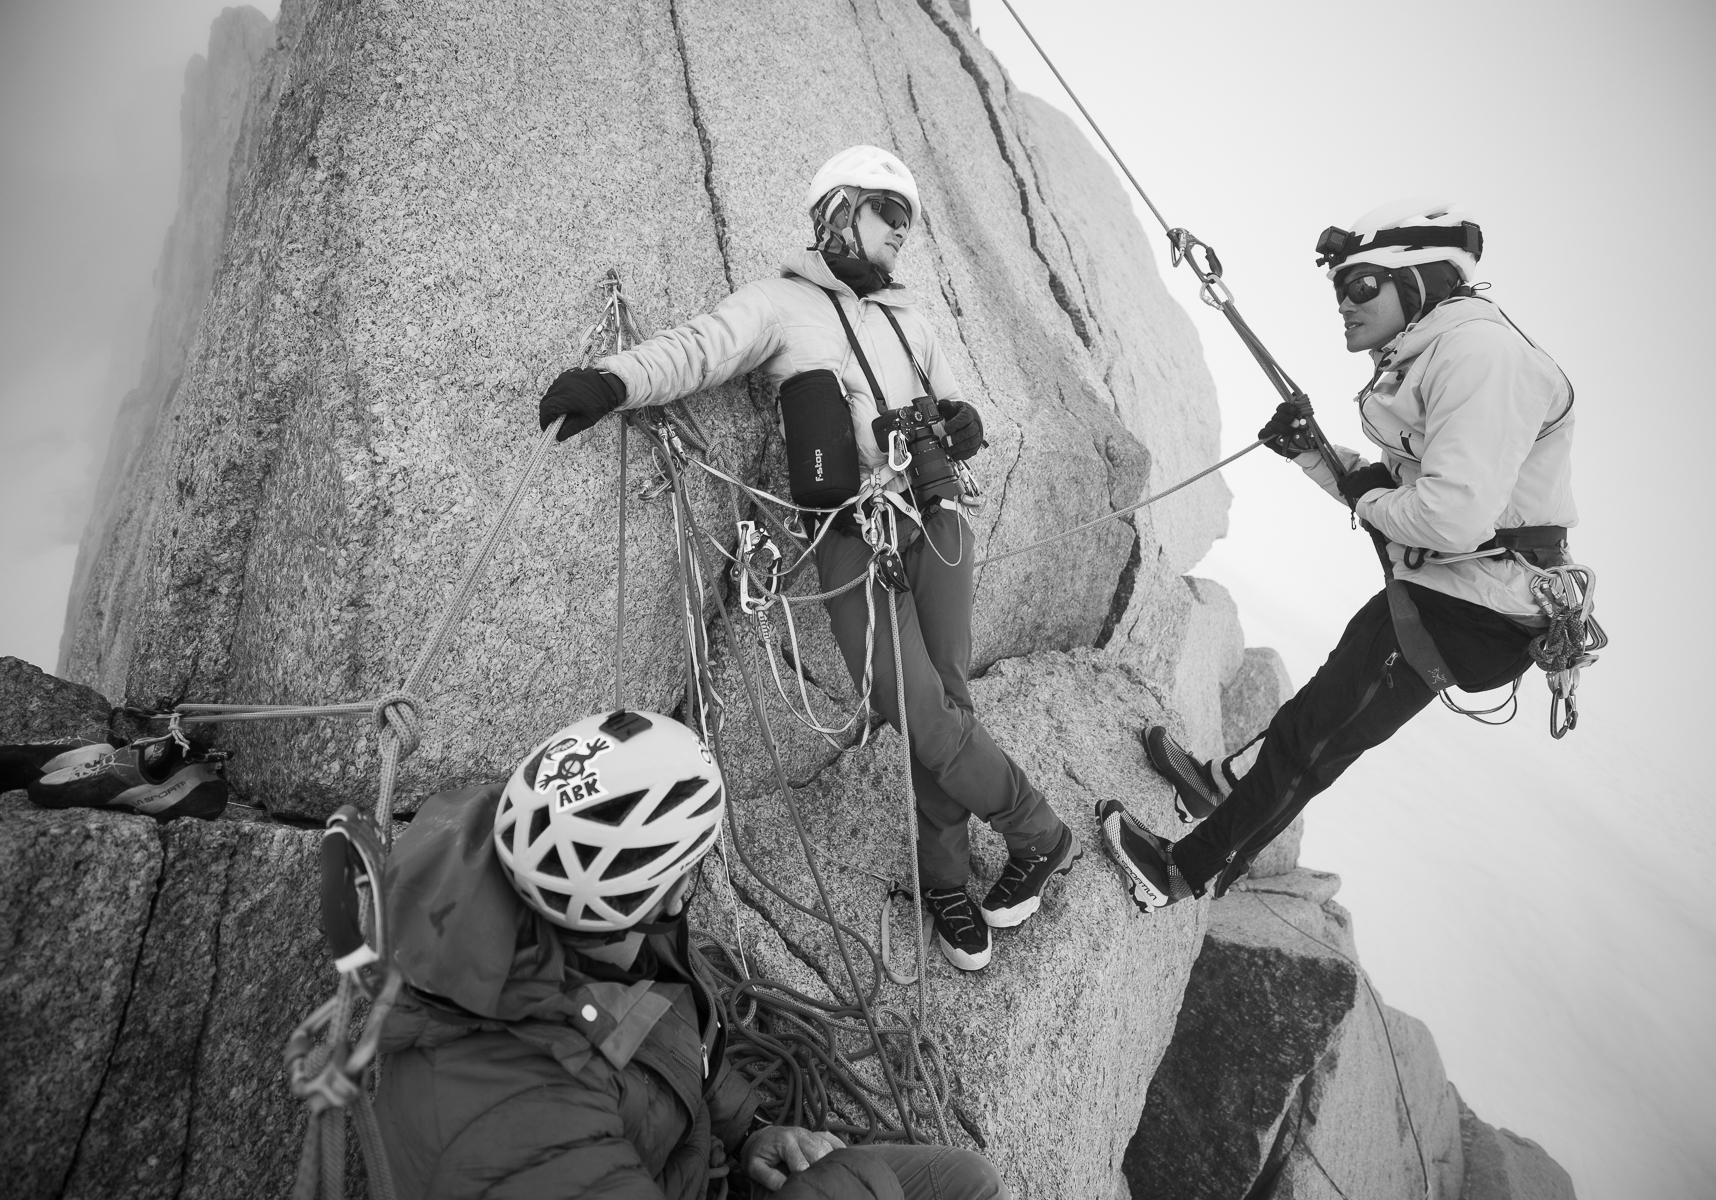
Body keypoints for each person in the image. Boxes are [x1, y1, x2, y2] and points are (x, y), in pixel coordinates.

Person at [535, 146, 1079, 971]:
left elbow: (956, 407)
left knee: (946, 707)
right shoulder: (779, 304)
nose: (901, 229)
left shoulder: (911, 319)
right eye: (886, 211)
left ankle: (944, 880)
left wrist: (965, 421)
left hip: (940, 523)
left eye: (908, 220)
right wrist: (610, 381)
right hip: (851, 533)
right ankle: (1039, 833)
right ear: (838, 210)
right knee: (922, 715)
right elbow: (699, 349)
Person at [1098, 199, 1577, 908]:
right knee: (1324, 705)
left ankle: (1182, 871)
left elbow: (1446, 515)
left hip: (1473, 610)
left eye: (1361, 285)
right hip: (1452, 592)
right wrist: (1314, 455)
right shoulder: (1440, 352)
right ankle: (1219, 785)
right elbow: (1403, 492)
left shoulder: (1480, 357)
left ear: (1419, 280)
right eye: (1340, 290)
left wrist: (1362, 493)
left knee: (1316, 740)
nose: (1345, 304)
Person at [373, 709, 1008, 1199]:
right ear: (657, 893)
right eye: (690, 873)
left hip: (694, 1168)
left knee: (969, 1180)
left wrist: (749, 1132)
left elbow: (665, 1050)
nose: (689, 891)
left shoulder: (586, 927)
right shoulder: (521, 1122)